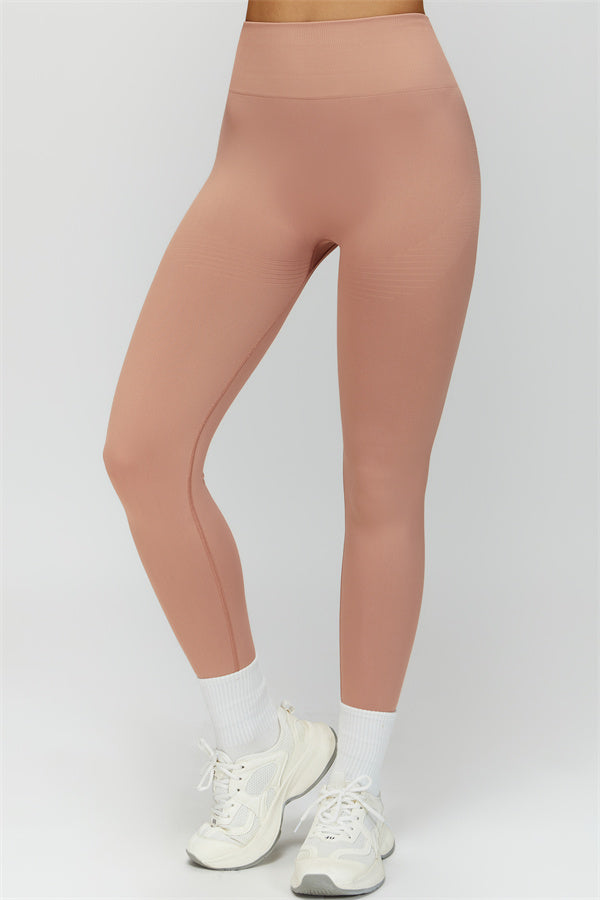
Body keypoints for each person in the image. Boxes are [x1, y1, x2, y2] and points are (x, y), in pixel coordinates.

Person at [102, 0, 481, 894]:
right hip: (261, 140)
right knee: (143, 452)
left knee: (382, 482)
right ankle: (259, 744)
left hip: (409, 137)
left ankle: (358, 789)